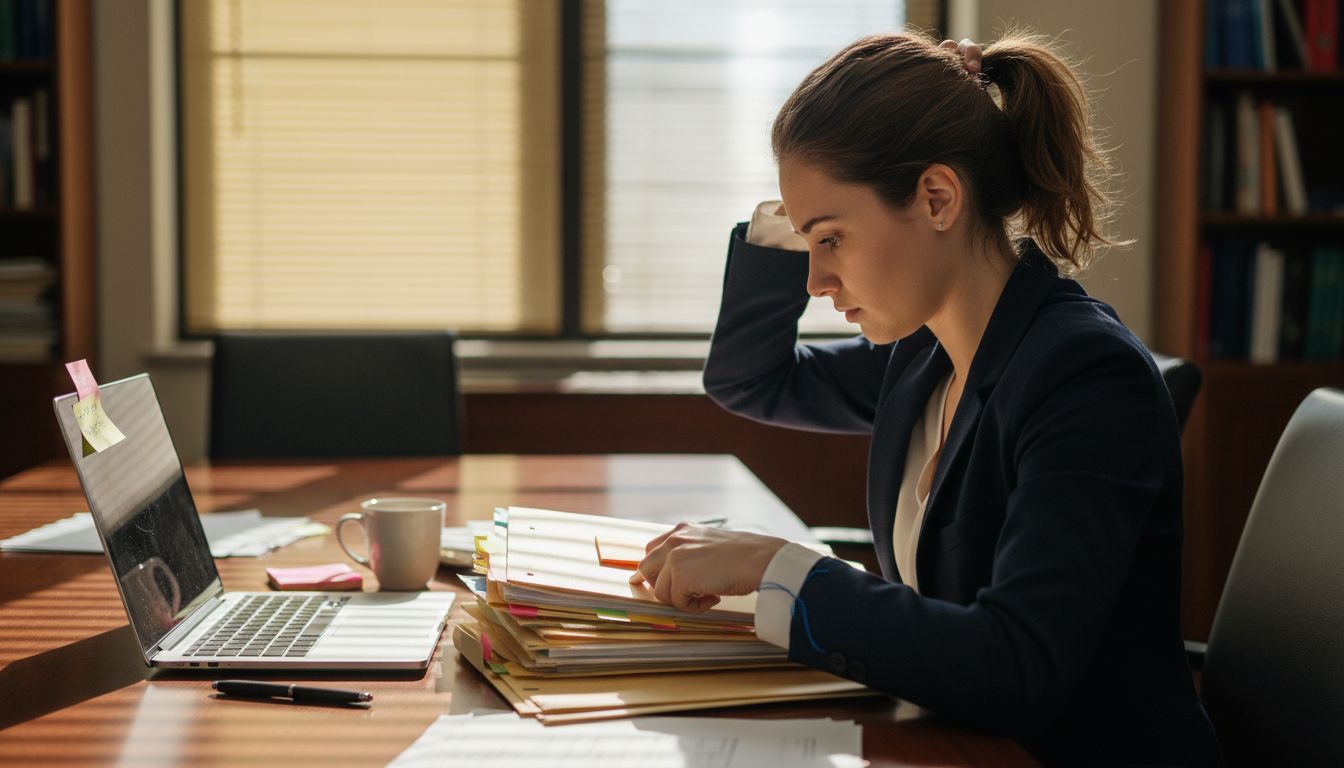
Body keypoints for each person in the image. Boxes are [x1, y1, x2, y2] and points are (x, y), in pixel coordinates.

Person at [631, 32, 1222, 767]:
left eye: (833, 240)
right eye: (809, 243)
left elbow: (1017, 668)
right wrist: (794, 215)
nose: (815, 283)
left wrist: (779, 566)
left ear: (938, 198)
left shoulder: (1085, 376)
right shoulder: (925, 359)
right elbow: (749, 379)